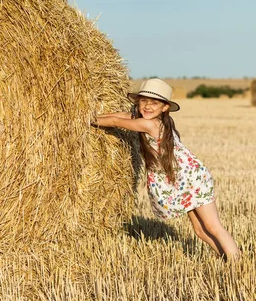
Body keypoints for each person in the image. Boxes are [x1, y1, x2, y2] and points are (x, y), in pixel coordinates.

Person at [92, 78, 240, 261]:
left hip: (193, 180)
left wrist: (84, 120)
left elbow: (115, 121)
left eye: (154, 103)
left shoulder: (151, 125)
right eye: (144, 101)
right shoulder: (150, 120)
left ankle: (238, 264)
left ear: (164, 108)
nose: (147, 106)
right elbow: (122, 115)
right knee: (200, 231)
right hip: (184, 180)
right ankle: (226, 259)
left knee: (213, 226)